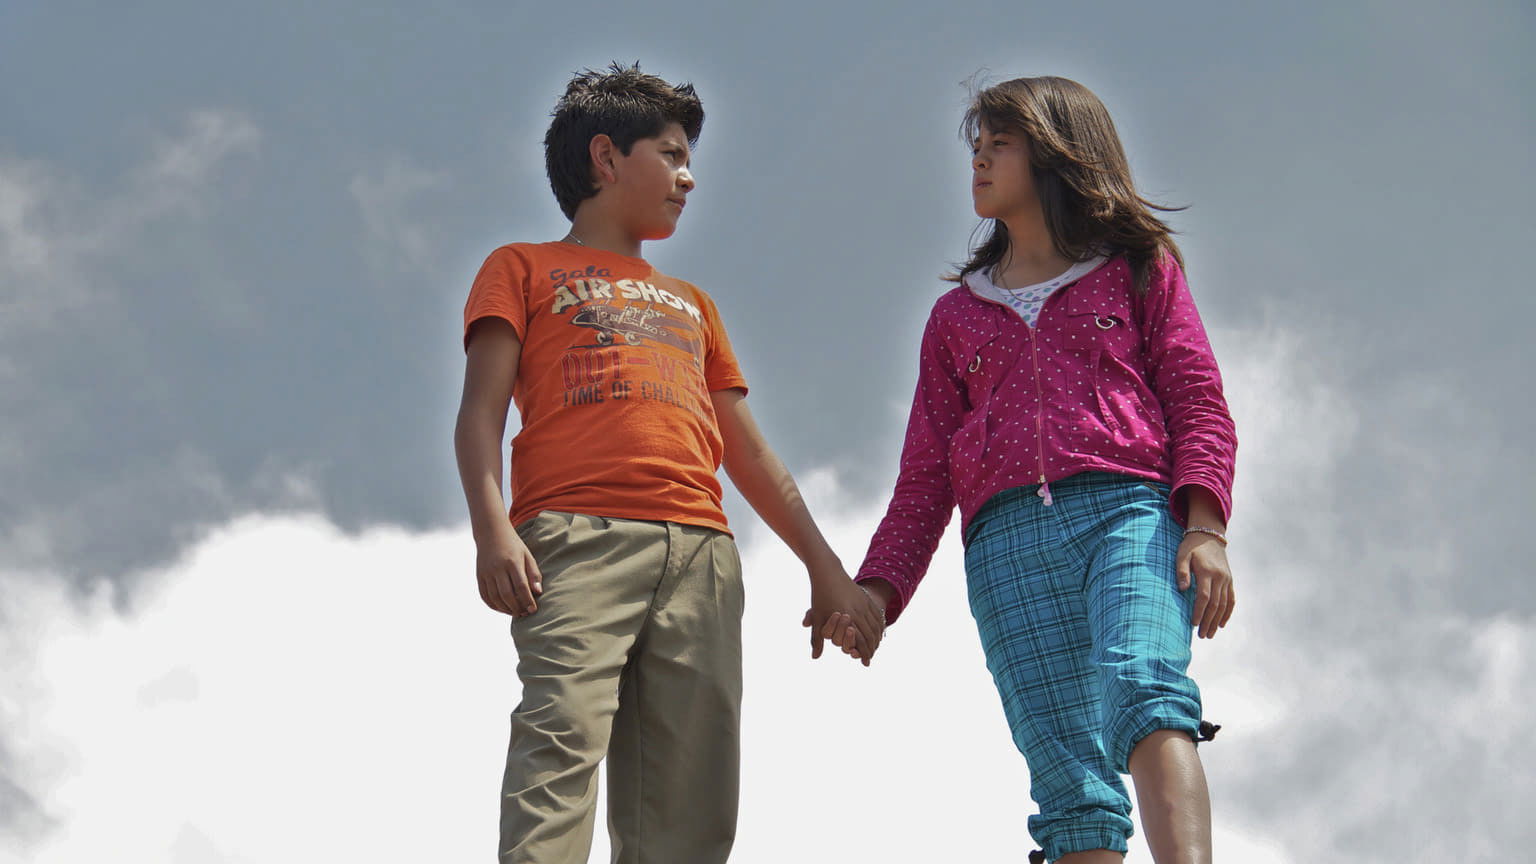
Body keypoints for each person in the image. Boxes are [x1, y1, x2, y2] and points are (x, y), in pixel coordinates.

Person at [453, 63, 883, 864]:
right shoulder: (520, 267)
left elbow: (747, 450)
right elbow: (480, 412)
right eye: (673, 154)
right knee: (560, 738)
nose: (689, 178)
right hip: (575, 539)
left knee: (693, 791)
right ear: (606, 157)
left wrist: (826, 569)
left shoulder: (694, 304)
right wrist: (492, 530)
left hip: (701, 555)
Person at [826, 75, 1238, 863]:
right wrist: (877, 591)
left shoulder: (1138, 269)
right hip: (1004, 549)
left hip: (1130, 515)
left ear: (1057, 153)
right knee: (1068, 782)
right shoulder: (955, 315)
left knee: (1144, 685)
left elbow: (1197, 399)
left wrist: (1206, 527)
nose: (978, 159)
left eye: (1000, 143)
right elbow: (925, 476)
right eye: (976, 145)